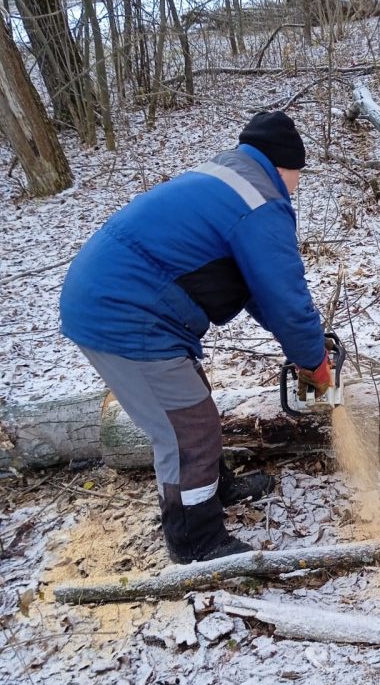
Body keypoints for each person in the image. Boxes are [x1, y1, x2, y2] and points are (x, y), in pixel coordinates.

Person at [59, 111, 331, 564]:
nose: (299, 184)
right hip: (123, 312)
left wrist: (304, 349)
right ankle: (195, 541)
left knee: (192, 401)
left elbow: (258, 289)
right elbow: (286, 298)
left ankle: (214, 488)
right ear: (287, 166)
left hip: (125, 296)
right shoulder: (262, 202)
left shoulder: (228, 178)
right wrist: (313, 361)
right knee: (187, 429)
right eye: (300, 174)